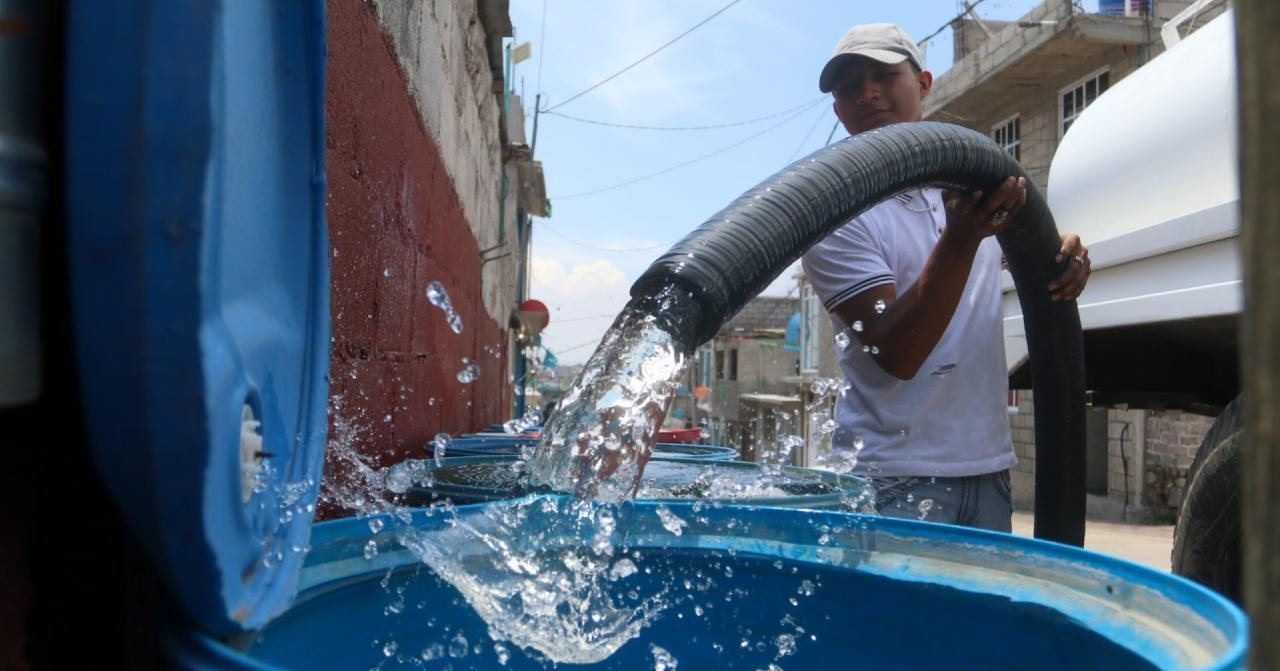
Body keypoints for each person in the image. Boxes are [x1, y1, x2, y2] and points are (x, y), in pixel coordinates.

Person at [801, 23, 1091, 532]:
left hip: (989, 471)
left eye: (884, 75)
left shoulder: (971, 189)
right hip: (889, 480)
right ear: (838, 109)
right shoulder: (834, 215)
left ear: (925, 84)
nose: (867, 92)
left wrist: (1063, 260)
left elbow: (1027, 262)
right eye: (849, 86)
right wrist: (959, 240)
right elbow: (897, 352)